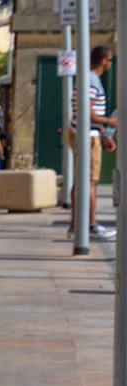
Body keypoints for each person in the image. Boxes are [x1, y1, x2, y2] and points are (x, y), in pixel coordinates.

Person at [67, 45, 118, 240]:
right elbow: (85, 112)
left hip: (83, 132)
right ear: (103, 60)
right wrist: (109, 122)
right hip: (87, 135)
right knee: (90, 182)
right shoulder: (92, 80)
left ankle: (76, 225)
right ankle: (90, 226)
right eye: (111, 60)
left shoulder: (88, 79)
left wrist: (105, 134)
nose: (111, 64)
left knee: (82, 180)